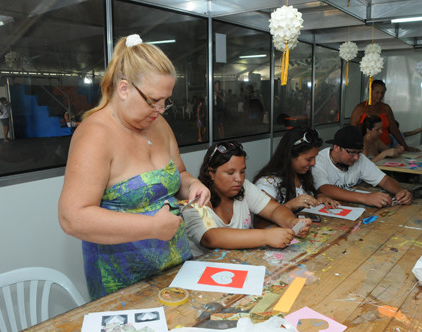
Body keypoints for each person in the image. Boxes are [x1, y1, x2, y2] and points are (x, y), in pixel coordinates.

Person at [58, 34, 210, 300]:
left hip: (175, 268)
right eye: (153, 100)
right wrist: (151, 227)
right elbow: (72, 218)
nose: (161, 109)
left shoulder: (159, 124)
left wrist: (193, 185)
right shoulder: (95, 134)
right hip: (122, 281)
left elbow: (180, 175)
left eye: (166, 100)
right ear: (124, 89)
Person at [182, 141, 312, 257]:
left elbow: (274, 209)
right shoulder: (196, 198)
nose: (239, 179)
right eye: (230, 173)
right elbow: (211, 237)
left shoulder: (243, 187)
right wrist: (265, 236)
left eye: (242, 171)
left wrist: (291, 222)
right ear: (211, 173)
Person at [312, 125, 412, 208]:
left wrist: (400, 191)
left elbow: (384, 180)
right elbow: (325, 188)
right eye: (352, 153)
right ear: (337, 147)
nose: (356, 157)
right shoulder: (318, 160)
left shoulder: (360, 158)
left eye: (359, 153)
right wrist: (366, 198)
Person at [254, 126, 338, 211]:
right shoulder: (268, 183)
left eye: (315, 158)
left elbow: (312, 193)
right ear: (290, 155)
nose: (313, 163)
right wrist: (289, 206)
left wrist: (320, 196)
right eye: (309, 159)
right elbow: (260, 222)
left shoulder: (301, 175)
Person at [350, 80, 420, 152]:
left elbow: (394, 129)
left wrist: (406, 147)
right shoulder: (360, 108)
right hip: (368, 149)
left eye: (382, 93)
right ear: (370, 92)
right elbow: (352, 131)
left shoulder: (386, 108)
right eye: (377, 92)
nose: (380, 95)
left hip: (386, 146)